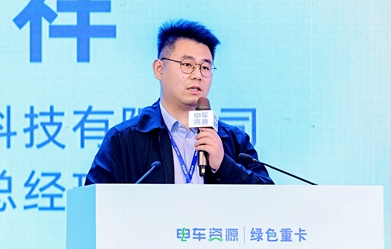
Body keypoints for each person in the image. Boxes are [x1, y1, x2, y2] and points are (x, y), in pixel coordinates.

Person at [85, 19, 273, 185]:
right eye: (187, 65)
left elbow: (269, 201)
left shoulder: (233, 141)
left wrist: (224, 165)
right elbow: (92, 203)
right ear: (159, 69)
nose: (198, 75)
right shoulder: (123, 140)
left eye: (205, 67)